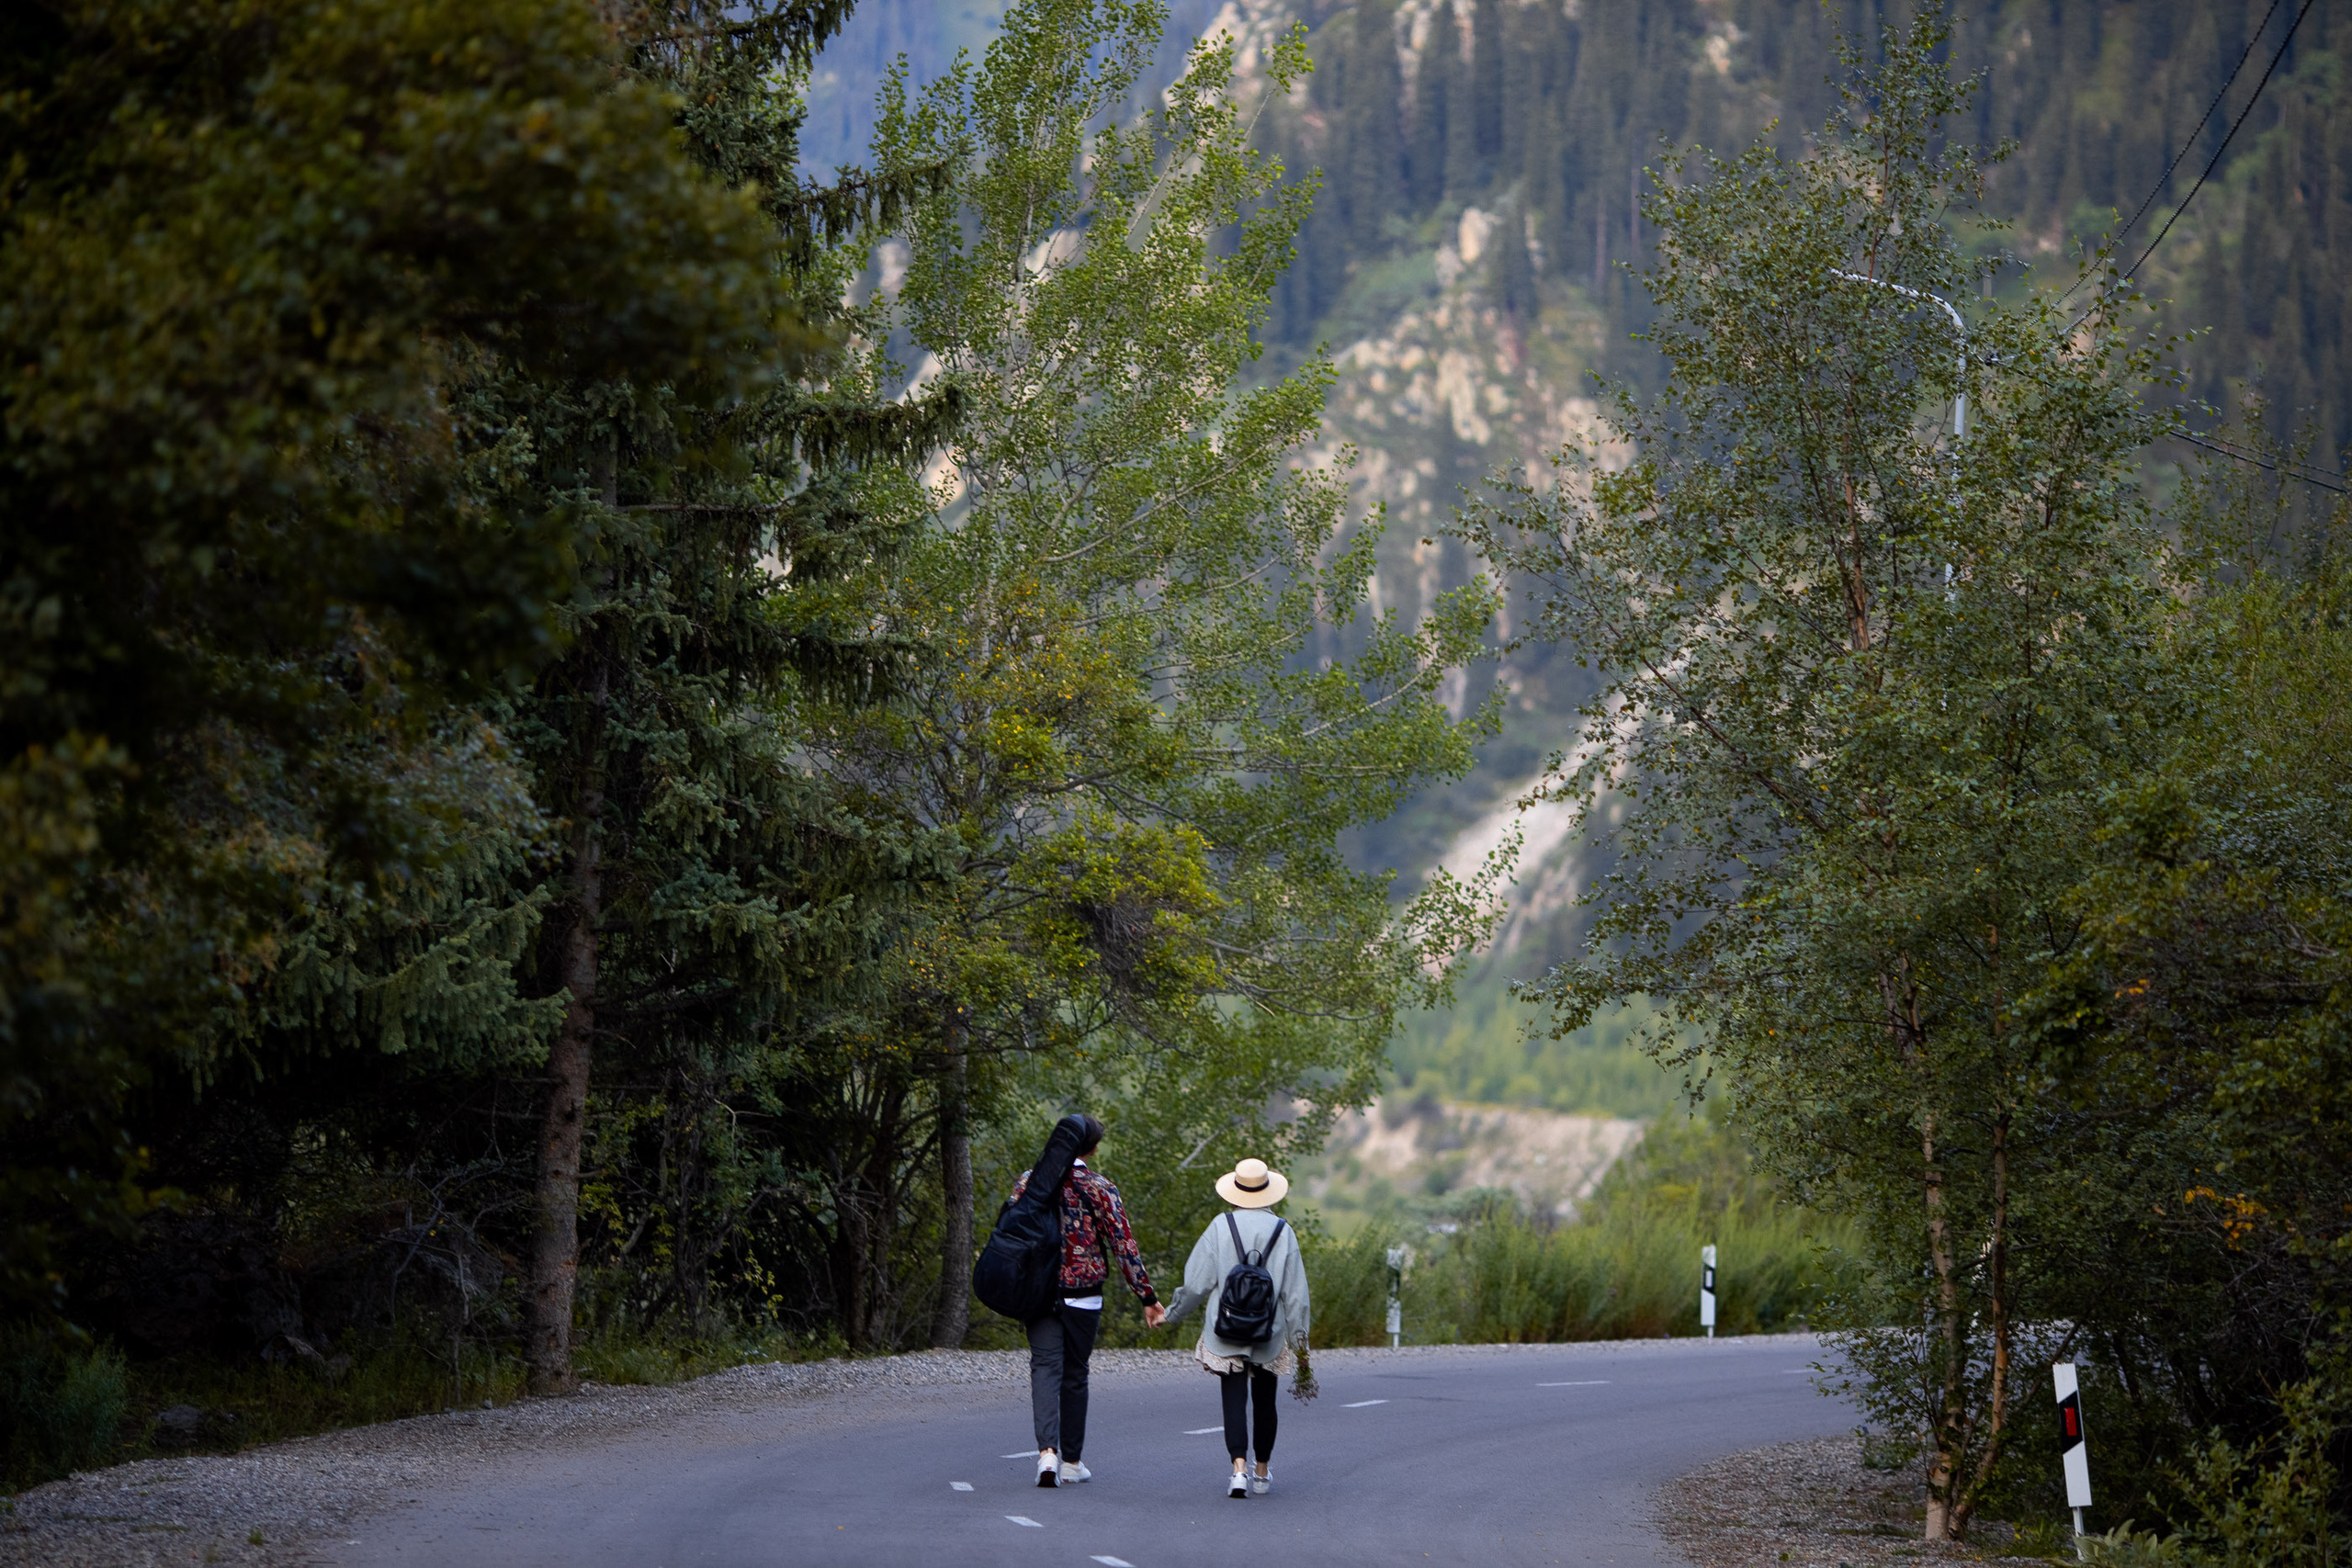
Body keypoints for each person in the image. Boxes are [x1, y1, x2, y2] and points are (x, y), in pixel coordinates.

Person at [1007, 1113, 1165, 1487]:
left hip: (1038, 1293)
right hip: (1083, 1294)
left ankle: (1047, 1455)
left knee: (1045, 1367)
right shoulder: (1100, 1188)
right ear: (1092, 1149)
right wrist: (1147, 1296)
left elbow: (1011, 1231)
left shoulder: (1029, 1182)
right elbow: (1123, 1246)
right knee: (1075, 1374)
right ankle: (1072, 1462)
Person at [1158, 1156, 1309, 1498]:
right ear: (1269, 1192)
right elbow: (1297, 1297)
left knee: (1233, 1397)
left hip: (1225, 1328)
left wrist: (1172, 1314)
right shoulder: (1284, 1232)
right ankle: (1261, 1471)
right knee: (1265, 1401)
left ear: (1235, 1191)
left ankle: (1237, 1469)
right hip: (1268, 1331)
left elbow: (1196, 1283)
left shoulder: (1219, 1226)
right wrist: (1301, 1348)